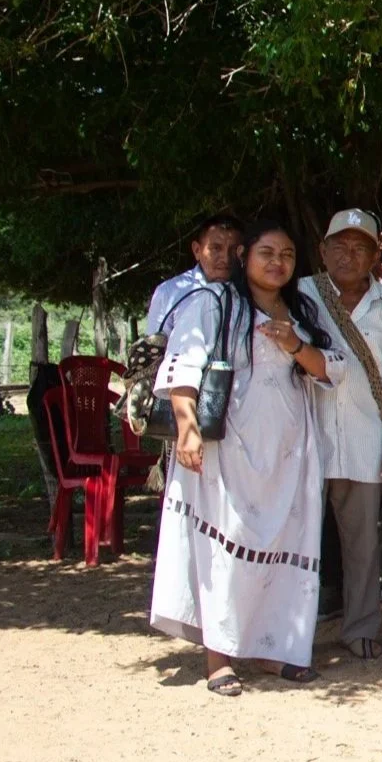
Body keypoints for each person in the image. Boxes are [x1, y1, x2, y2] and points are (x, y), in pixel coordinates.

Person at [151, 221, 338, 694]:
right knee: (225, 546)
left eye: (287, 254)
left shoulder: (303, 309)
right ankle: (218, 658)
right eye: (266, 252)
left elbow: (331, 370)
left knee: (286, 544)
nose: (278, 262)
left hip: (290, 448)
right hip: (228, 447)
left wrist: (295, 344)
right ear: (245, 257)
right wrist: (187, 430)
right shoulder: (213, 303)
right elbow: (182, 368)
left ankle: (273, 651)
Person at [300, 209, 382, 661]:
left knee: (364, 542)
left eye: (360, 248)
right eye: (340, 247)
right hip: (305, 436)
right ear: (323, 251)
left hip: (365, 437)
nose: (349, 256)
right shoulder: (302, 293)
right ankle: (289, 630)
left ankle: (361, 627)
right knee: (296, 538)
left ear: (375, 254)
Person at [143, 213, 242, 334]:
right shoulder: (169, 293)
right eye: (216, 248)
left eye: (233, 250)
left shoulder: (247, 292)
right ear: (197, 250)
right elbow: (156, 342)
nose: (226, 258)